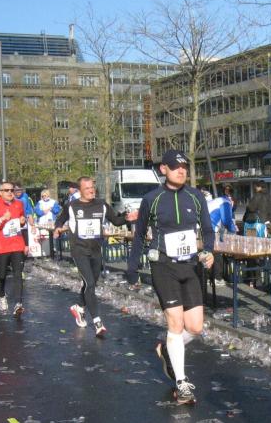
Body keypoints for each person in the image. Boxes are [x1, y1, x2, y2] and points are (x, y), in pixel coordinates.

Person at [127, 150, 214, 405]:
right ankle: (181, 383)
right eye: (176, 167)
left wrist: (209, 251)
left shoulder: (196, 196)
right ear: (163, 169)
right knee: (175, 324)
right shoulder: (152, 199)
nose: (181, 170)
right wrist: (133, 268)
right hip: (163, 266)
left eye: (184, 167)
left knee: (195, 327)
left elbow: (208, 230)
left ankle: (167, 348)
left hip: (190, 266)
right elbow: (139, 235)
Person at [54, 177, 138, 337]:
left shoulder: (101, 204)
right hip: (79, 250)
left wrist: (127, 218)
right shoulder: (72, 206)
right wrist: (58, 228)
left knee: (90, 283)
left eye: (92, 187)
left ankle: (79, 307)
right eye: (87, 188)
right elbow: (60, 219)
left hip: (96, 250)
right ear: (80, 190)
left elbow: (116, 220)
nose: (91, 190)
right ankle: (97, 322)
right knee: (90, 283)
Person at [0, 181, 27, 315]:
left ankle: (18, 303)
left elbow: (22, 219)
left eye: (12, 190)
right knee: (2, 274)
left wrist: (22, 220)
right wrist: (2, 219)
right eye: (6, 190)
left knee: (18, 274)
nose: (10, 193)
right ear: (0, 192)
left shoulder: (19, 204)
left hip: (17, 244)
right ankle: (2, 295)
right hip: (1, 246)